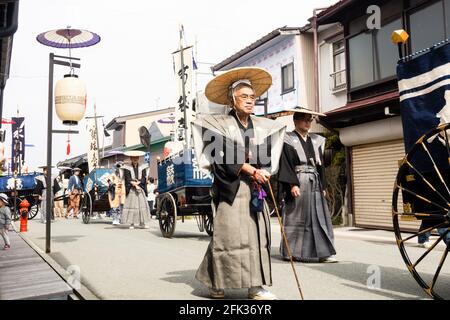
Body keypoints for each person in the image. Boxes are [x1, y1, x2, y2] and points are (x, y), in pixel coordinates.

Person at [191, 67, 286, 300]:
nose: (250, 101)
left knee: (257, 236)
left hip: (255, 189)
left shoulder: (261, 126)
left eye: (253, 97)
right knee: (227, 237)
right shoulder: (219, 125)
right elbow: (220, 154)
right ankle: (216, 283)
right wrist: (251, 169)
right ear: (232, 100)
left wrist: (263, 171)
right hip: (231, 188)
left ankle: (255, 286)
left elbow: (267, 155)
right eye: (244, 97)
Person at [277, 107, 337, 263]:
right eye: (304, 119)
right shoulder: (288, 138)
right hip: (298, 179)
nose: (307, 122)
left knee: (319, 217)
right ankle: (292, 252)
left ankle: (322, 252)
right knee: (295, 217)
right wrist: (292, 184)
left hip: (314, 180)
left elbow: (321, 166)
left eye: (309, 119)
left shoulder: (316, 140)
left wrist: (323, 187)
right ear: (295, 121)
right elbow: (286, 163)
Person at [121, 151, 151, 229]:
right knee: (132, 206)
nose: (135, 159)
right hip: (131, 189)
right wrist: (133, 183)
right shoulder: (127, 167)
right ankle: (132, 223)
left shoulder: (143, 166)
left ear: (138, 158)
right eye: (133, 158)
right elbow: (127, 178)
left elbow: (144, 177)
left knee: (142, 206)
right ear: (131, 158)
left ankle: (143, 223)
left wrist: (139, 183)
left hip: (140, 188)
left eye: (136, 158)